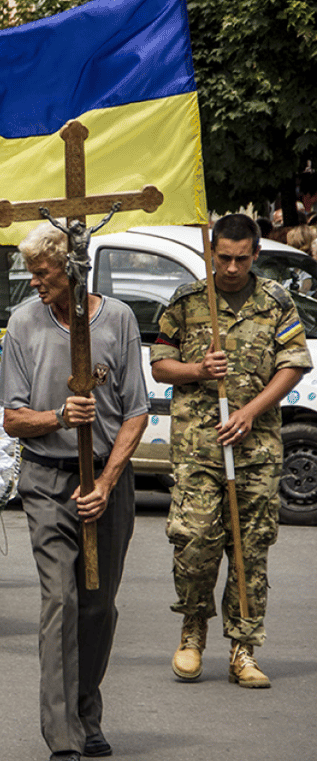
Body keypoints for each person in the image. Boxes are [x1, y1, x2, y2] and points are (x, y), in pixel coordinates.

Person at [0, 223, 148, 761]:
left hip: (107, 479)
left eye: (43, 273)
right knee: (60, 600)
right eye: (31, 273)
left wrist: (106, 484)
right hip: (46, 480)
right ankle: (62, 735)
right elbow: (13, 418)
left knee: (98, 606)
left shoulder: (120, 319)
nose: (34, 282)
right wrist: (57, 416)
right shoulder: (22, 324)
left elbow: (136, 411)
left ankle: (88, 710)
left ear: (72, 269)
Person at [151, 213, 311, 690]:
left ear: (255, 255)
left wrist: (250, 412)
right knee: (197, 542)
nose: (233, 267)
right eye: (224, 258)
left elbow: (293, 364)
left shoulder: (275, 302)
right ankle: (192, 631)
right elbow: (160, 365)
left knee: (250, 550)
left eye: (242, 259)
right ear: (211, 254)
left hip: (256, 448)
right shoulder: (188, 301)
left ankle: (243, 648)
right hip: (199, 446)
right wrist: (198, 369)